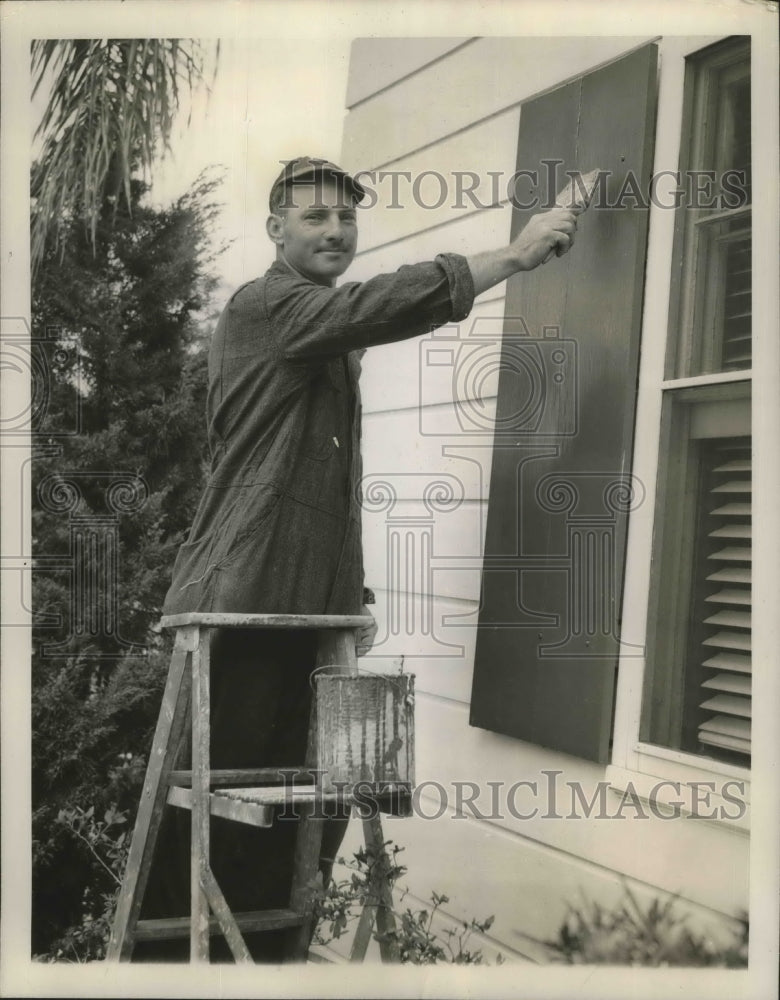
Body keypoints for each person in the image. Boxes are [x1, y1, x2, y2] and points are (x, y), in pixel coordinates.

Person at [138, 156, 578, 962]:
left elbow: (321, 482)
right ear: (276, 230)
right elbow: (381, 304)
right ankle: (175, 973)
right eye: (314, 217)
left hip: (317, 607)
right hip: (243, 602)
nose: (335, 230)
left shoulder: (324, 338)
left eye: (346, 218)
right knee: (217, 825)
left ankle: (274, 965)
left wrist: (355, 592)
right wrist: (512, 257)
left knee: (319, 817)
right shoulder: (272, 306)